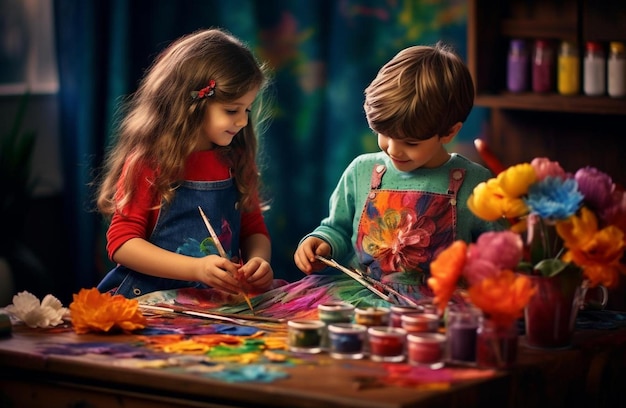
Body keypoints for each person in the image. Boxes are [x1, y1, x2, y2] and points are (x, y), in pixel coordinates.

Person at [294, 42, 504, 299]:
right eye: (384, 134)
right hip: (362, 302)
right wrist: (322, 243)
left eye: (411, 143)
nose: (393, 150)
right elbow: (337, 229)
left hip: (437, 310)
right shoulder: (361, 171)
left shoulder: (477, 183)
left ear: (450, 131)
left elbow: (499, 255)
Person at [95, 28, 276, 299]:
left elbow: (253, 230)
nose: (242, 121)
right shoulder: (149, 162)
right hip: (150, 300)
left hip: (217, 302)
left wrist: (259, 262)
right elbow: (122, 244)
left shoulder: (236, 160)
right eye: (231, 110)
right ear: (191, 104)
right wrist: (196, 269)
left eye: (246, 110)